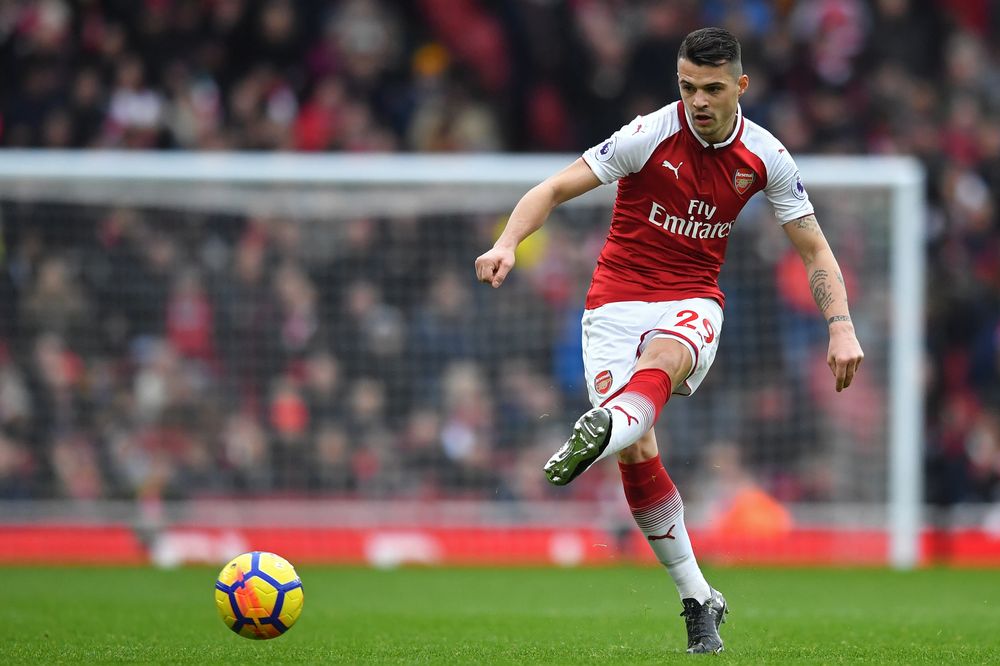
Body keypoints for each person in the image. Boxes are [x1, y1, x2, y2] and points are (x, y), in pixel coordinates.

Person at [474, 27, 864, 654]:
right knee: (637, 451)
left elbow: (814, 248)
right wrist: (505, 243)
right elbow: (551, 188)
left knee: (663, 363)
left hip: (691, 300)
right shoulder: (647, 135)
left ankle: (604, 425)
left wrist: (840, 325)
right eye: (687, 87)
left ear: (740, 85)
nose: (699, 101)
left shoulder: (767, 157)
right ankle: (697, 598)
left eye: (712, 88)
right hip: (612, 304)